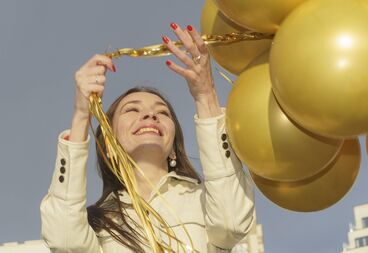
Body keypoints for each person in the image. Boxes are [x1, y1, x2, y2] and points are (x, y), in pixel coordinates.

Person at [40, 23, 255, 253]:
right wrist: (82, 115)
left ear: (173, 148)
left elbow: (231, 224)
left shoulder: (204, 201)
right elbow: (64, 240)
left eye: (162, 112)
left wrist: (206, 95)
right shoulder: (99, 221)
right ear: (110, 146)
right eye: (132, 110)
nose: (150, 114)